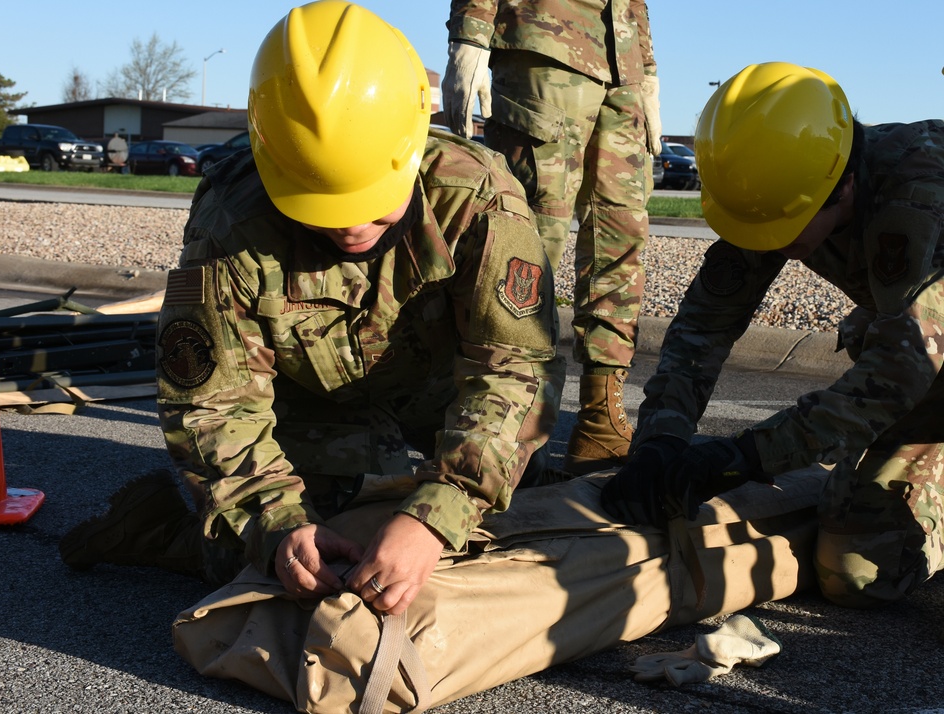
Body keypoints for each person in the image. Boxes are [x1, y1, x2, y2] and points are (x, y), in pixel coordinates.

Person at [60, 0, 565, 617]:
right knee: (298, 558)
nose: (352, 226)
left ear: (412, 147)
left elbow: (514, 368)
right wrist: (277, 523)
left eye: (373, 202)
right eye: (320, 206)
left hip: (436, 393)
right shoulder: (231, 223)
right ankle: (160, 529)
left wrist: (441, 512)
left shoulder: (479, 198)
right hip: (307, 400)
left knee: (509, 506)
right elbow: (210, 403)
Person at [601, 61, 944, 608]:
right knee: (858, 573)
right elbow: (702, 328)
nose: (767, 243)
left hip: (924, 361)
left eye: (780, 229)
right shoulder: (783, 183)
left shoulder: (918, 198)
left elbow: (900, 374)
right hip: (923, 356)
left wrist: (739, 458)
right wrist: (661, 441)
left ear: (846, 185)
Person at [442, 0, 662, 474]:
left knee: (620, 240)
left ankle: (600, 420)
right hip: (543, 43)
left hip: (620, 63)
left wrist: (645, 64)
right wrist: (471, 29)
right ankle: (510, 430)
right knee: (528, 243)